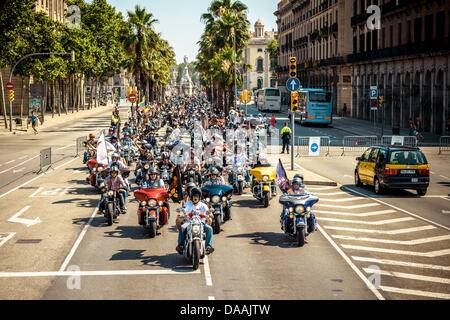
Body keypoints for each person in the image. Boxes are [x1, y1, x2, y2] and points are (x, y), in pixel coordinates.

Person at [176, 187, 214, 255]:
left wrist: (210, 214)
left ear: (199, 197)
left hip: (201, 224)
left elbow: (208, 211)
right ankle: (180, 246)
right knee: (182, 228)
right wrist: (181, 212)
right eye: (194, 196)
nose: (195, 198)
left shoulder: (203, 205)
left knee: (209, 229)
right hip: (189, 223)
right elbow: (184, 209)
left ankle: (208, 246)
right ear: (191, 197)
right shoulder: (188, 204)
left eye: (197, 196)